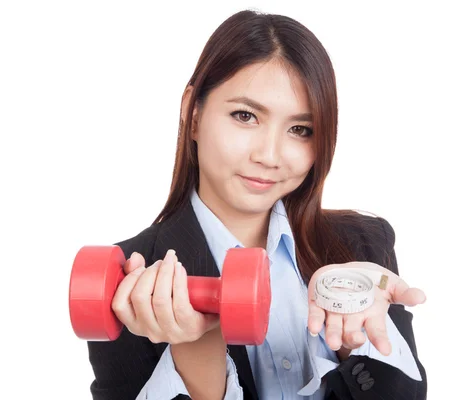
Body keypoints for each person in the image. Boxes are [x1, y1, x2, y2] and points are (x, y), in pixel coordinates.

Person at [86, 9, 427, 400]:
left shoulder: (363, 247)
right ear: (192, 114)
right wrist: (196, 353)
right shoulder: (129, 279)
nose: (270, 155)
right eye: (245, 116)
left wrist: (356, 339)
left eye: (300, 129)